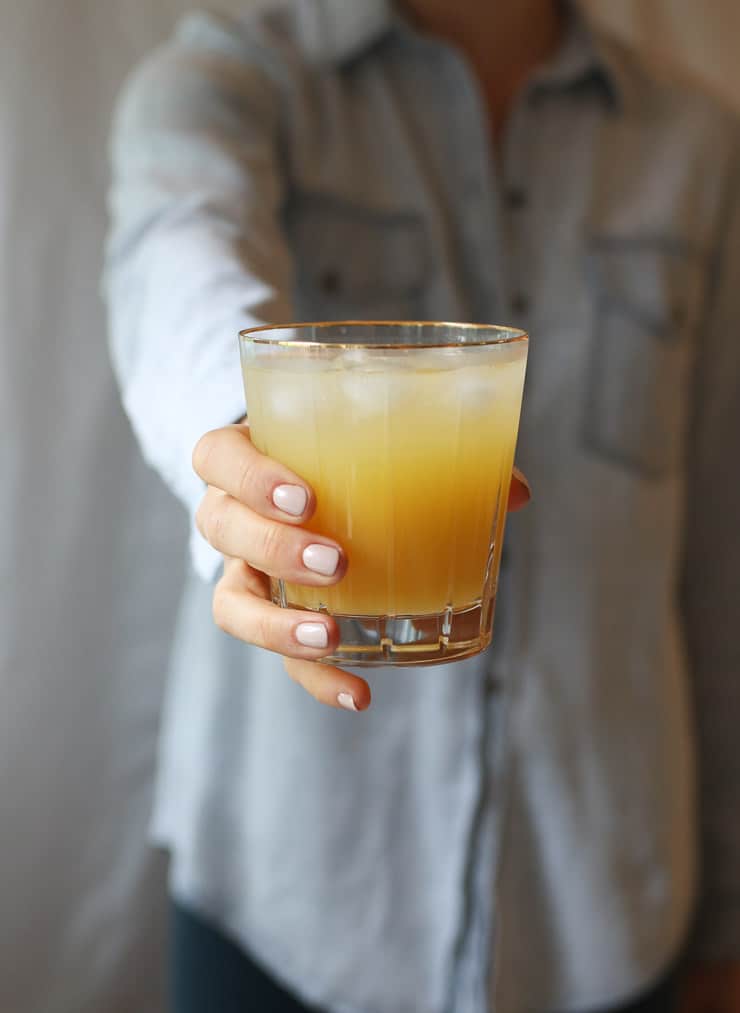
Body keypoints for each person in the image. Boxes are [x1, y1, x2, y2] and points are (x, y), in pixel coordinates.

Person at [104, 0, 740, 1010]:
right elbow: (174, 254)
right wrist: (239, 454)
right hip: (285, 905)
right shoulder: (242, 70)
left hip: (605, 908)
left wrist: (726, 920)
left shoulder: (697, 142)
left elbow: (719, 561)